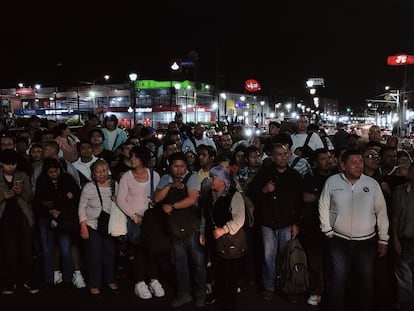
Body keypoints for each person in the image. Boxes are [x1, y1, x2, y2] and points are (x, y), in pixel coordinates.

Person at [319, 149, 389, 311]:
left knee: (365, 279)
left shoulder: (371, 184)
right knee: (338, 278)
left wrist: (383, 238)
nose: (359, 166)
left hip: (366, 242)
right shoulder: (332, 182)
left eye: (361, 162)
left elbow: (381, 212)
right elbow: (323, 206)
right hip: (338, 240)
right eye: (354, 163)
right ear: (343, 165)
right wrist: (327, 229)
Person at [248, 143, 304, 302]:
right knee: (268, 257)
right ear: (273, 157)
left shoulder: (294, 176)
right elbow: (252, 194)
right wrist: (264, 191)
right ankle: (269, 286)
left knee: (287, 256)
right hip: (267, 222)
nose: (283, 157)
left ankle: (288, 286)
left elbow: (299, 202)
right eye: (279, 154)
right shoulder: (264, 174)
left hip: (286, 222)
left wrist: (296, 223)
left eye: (285, 154)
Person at [153, 151, 206, 308]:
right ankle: (184, 294)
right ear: (170, 166)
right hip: (174, 228)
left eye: (182, 166)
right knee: (180, 264)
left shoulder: (193, 177)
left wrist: (173, 206)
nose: (179, 170)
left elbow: (192, 199)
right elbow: (156, 198)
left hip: (192, 227)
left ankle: (200, 294)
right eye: (176, 166)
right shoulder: (165, 179)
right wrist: (170, 186)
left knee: (198, 263)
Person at [116, 145, 165, 299]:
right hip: (135, 219)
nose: (132, 159)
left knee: (152, 249)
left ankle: (153, 280)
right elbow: (120, 200)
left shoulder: (154, 175)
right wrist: (133, 215)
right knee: (137, 249)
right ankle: (139, 282)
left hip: (151, 220)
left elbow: (159, 196)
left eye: (136, 156)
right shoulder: (127, 177)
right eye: (132, 156)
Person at [32, 157, 80, 289]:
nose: (54, 174)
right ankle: (50, 279)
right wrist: (51, 210)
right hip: (46, 219)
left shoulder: (68, 178)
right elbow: (36, 203)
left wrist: (57, 205)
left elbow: (76, 196)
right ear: (45, 172)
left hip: (64, 218)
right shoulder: (41, 181)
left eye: (56, 171)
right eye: (51, 172)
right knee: (47, 250)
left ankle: (68, 279)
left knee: (65, 249)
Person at [202, 165, 245, 311]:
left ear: (222, 180)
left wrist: (224, 229)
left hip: (229, 240)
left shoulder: (234, 195)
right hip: (213, 238)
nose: (211, 180)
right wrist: (202, 232)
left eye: (213, 177)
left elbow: (240, 219)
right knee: (217, 269)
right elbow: (205, 215)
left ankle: (230, 302)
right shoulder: (209, 195)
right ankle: (219, 295)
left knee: (231, 272)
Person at [78, 159, 120, 296]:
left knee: (110, 254)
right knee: (94, 255)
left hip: (110, 225)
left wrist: (117, 200)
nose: (102, 174)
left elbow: (122, 203)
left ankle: (110, 279)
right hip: (93, 225)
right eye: (98, 172)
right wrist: (83, 226)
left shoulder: (115, 184)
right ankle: (94, 283)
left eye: (104, 171)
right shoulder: (89, 187)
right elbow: (81, 208)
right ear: (93, 174)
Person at [0, 149, 39, 294]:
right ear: (1, 164)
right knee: (10, 252)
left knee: (26, 251)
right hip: (4, 218)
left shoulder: (22, 175)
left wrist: (20, 192)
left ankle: (29, 281)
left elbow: (30, 197)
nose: (11, 167)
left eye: (13, 164)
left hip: (22, 217)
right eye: (7, 164)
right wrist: (4, 195)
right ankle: (11, 282)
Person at [392, 162, 414, 311]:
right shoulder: (400, 191)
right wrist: (395, 238)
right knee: (404, 278)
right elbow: (395, 217)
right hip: (405, 240)